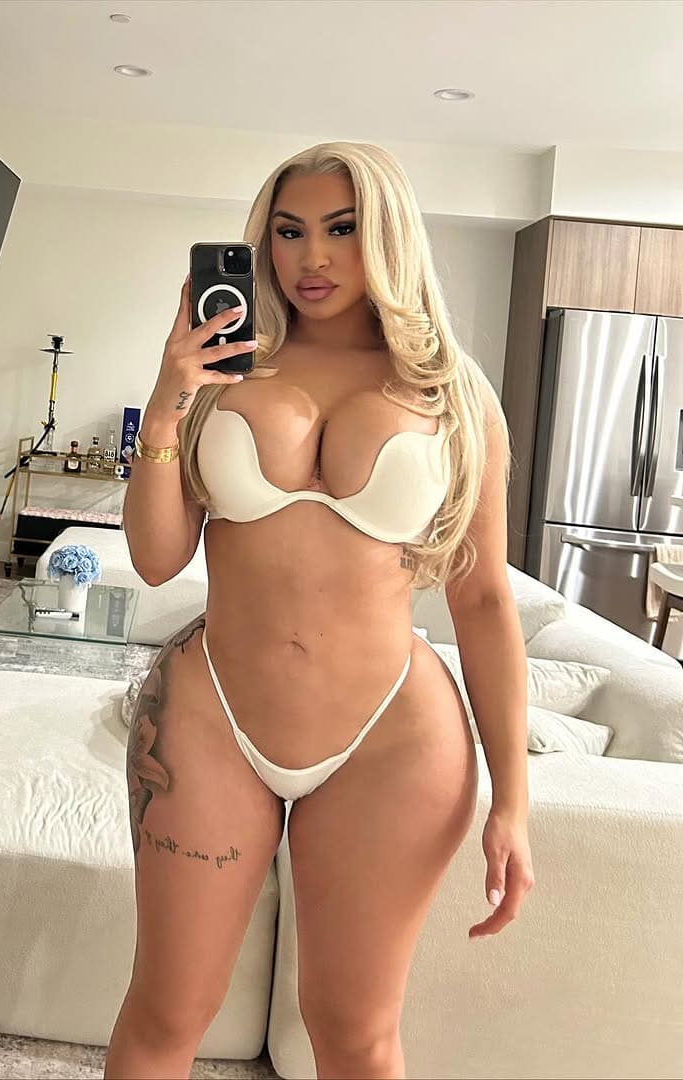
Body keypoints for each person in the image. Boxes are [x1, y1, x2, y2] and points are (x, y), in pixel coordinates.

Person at [104, 141, 535, 1080]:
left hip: (392, 739)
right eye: (289, 231)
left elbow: (483, 598)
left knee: (353, 1033)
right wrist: (168, 402)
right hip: (212, 716)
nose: (313, 257)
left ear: (388, 237)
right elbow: (157, 557)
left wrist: (514, 799)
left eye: (342, 229)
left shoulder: (456, 396)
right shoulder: (224, 373)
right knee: (167, 1010)